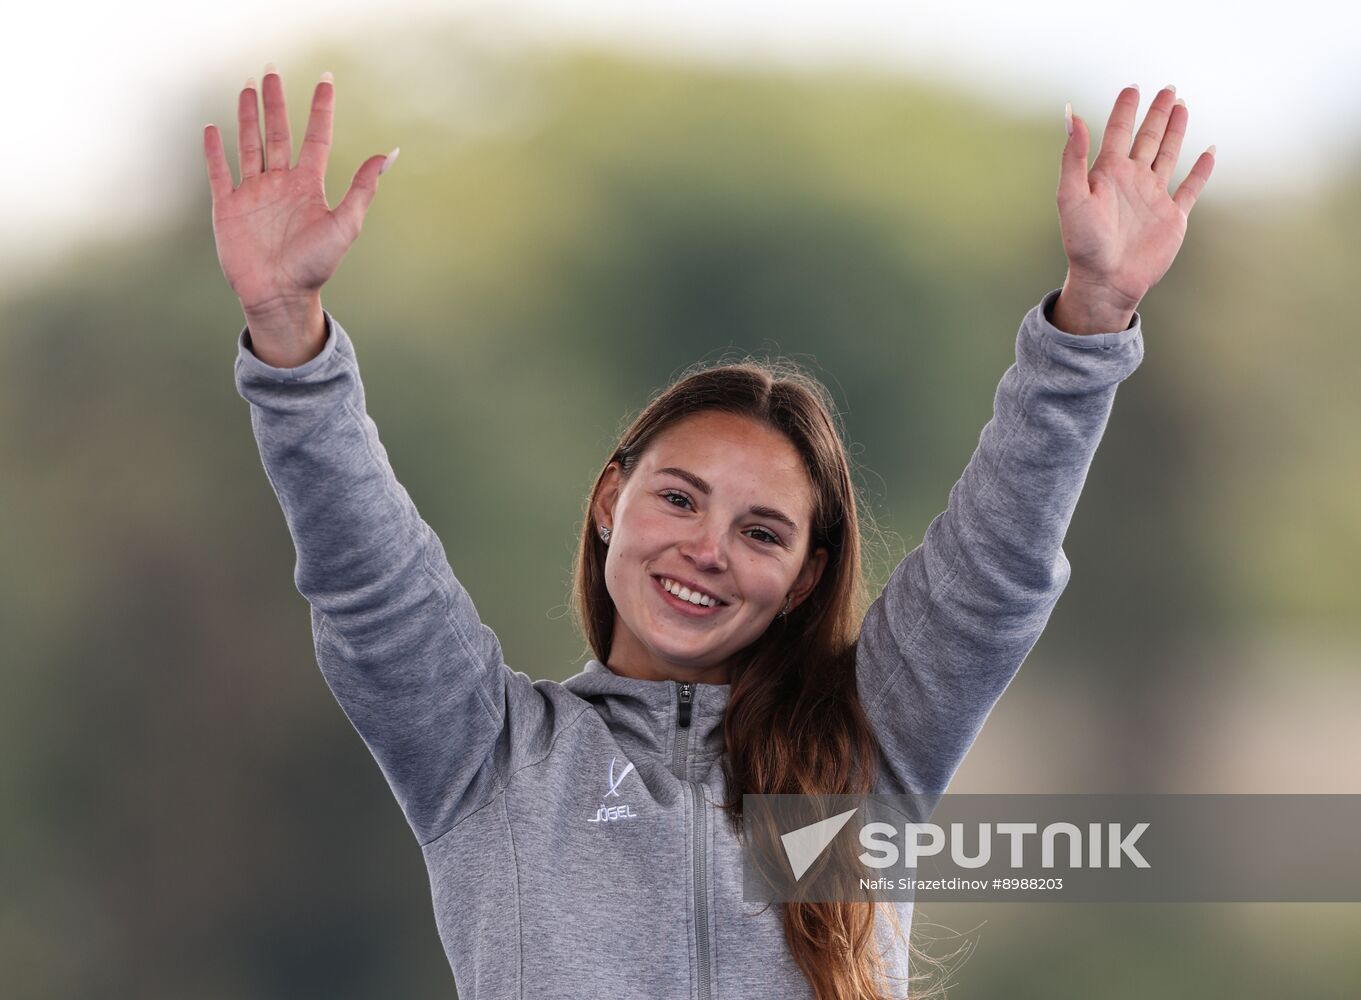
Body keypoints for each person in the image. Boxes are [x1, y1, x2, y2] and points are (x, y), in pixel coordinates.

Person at [204, 66, 1213, 1000]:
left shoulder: (868, 746)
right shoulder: (489, 758)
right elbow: (369, 581)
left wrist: (1091, 319)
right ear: (611, 500)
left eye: (761, 532)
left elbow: (993, 568)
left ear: (805, 577)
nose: (707, 550)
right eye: (679, 499)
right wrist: (289, 334)